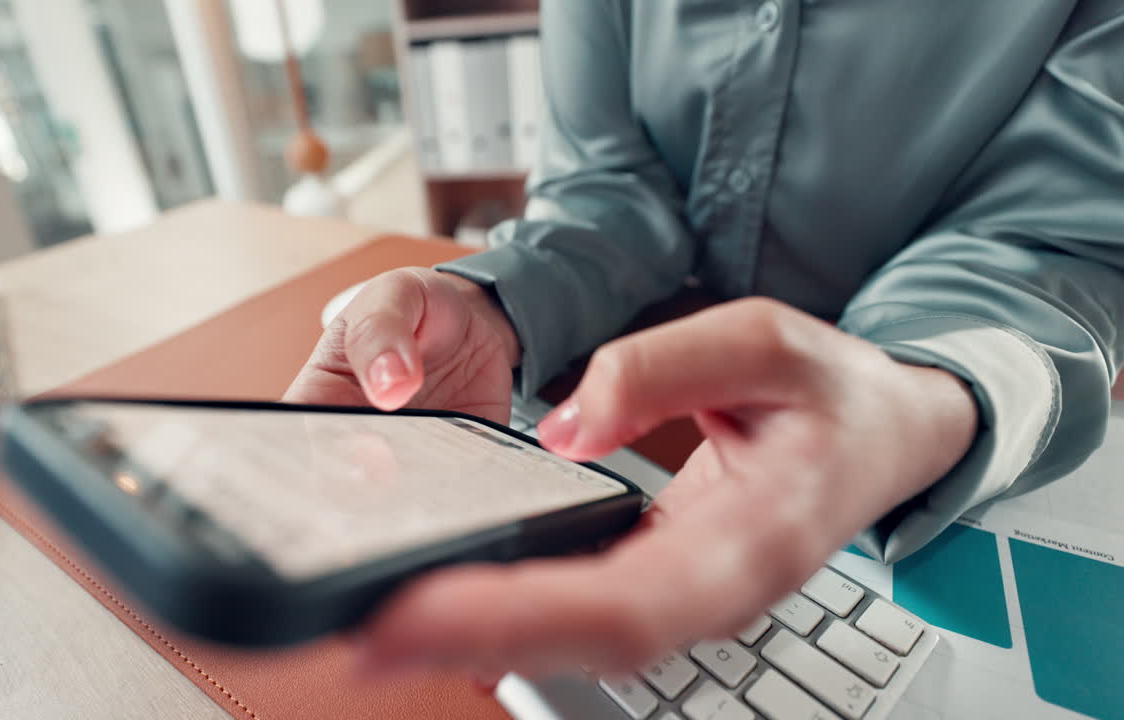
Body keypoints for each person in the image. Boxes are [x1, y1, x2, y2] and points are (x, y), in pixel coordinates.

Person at [285, 0, 1124, 682]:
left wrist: (910, 390)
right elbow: (606, 186)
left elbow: (1057, 239)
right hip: (656, 417)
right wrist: (493, 302)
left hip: (903, 421)